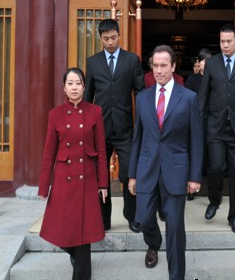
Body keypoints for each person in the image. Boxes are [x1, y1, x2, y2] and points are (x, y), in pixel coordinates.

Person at [128, 45, 203, 280]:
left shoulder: (189, 98)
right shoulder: (142, 98)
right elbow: (137, 138)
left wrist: (194, 176)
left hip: (177, 171)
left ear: (172, 67)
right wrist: (132, 174)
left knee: (174, 227)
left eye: (163, 65)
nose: (158, 70)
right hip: (147, 169)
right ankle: (153, 242)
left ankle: (176, 275)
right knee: (143, 217)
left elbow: (196, 140)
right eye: (155, 65)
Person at [38, 68, 108, 280]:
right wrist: (43, 186)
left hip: (86, 179)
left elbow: (102, 150)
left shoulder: (95, 111)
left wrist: (103, 183)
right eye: (70, 83)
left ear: (84, 87)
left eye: (78, 83)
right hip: (63, 181)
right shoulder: (55, 115)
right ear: (64, 88)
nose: (74, 87)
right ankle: (75, 255)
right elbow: (49, 152)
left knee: (84, 236)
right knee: (57, 231)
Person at [84, 19, 144, 232]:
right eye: (106, 38)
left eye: (113, 38)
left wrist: (142, 123)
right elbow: (88, 96)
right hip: (99, 128)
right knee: (100, 176)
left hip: (125, 128)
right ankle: (103, 219)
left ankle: (131, 216)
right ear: (100, 38)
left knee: (128, 173)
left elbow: (141, 92)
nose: (110, 42)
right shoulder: (93, 62)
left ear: (120, 36)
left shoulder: (131, 60)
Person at [198, 23, 235, 234]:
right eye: (222, 41)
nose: (225, 45)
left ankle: (234, 216)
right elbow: (203, 96)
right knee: (215, 167)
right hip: (215, 127)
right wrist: (197, 124)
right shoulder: (212, 64)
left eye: (228, 42)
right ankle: (214, 200)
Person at [185, 48, 212, 200]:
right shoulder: (192, 79)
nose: (206, 64)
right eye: (203, 61)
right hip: (195, 120)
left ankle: (211, 190)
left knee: (211, 155)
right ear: (198, 63)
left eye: (209, 61)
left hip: (212, 121)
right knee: (194, 152)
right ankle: (190, 190)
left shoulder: (215, 78)